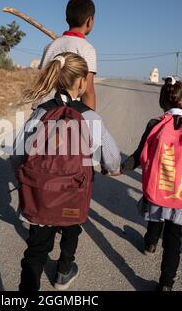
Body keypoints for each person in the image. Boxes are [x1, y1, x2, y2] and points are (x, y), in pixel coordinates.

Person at [12, 52, 121, 291]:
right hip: (73, 193)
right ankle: (63, 270)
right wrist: (109, 168)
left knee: (36, 250)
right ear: (81, 82)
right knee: (72, 228)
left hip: (40, 194)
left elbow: (17, 152)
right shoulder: (90, 117)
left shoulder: (40, 112)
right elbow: (113, 160)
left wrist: (23, 180)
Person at [121, 76, 182, 291]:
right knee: (174, 237)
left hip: (160, 187)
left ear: (162, 101)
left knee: (156, 214)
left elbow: (140, 154)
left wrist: (120, 169)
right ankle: (166, 284)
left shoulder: (154, 124)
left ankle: (150, 243)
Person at [38, 0, 98, 110]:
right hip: (67, 116)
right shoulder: (87, 49)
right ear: (90, 21)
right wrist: (91, 123)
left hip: (42, 112)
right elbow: (87, 92)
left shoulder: (50, 47)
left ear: (66, 19)